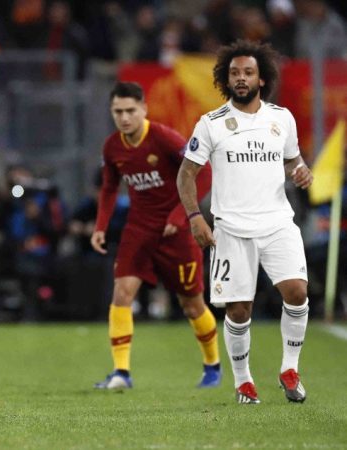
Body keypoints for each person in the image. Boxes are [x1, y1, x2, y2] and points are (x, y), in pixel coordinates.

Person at [177, 40, 313, 404]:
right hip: (232, 229)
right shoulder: (211, 124)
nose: (241, 78)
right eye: (234, 73)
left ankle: (289, 369)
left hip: (277, 222)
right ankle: (244, 382)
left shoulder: (281, 118)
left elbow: (292, 160)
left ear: (262, 78)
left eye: (248, 72)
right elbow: (186, 174)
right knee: (238, 310)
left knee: (297, 292)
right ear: (225, 79)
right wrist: (195, 217)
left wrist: (300, 171)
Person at [92, 81, 221, 390]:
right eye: (118, 112)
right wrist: (100, 227)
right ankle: (121, 372)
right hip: (139, 230)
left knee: (191, 304)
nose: (124, 118)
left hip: (176, 232)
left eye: (130, 111)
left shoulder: (164, 138)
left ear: (144, 109)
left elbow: (204, 173)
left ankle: (212, 366)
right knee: (122, 293)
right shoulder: (112, 147)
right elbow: (109, 188)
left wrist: (180, 215)